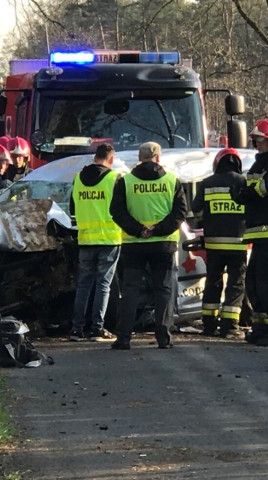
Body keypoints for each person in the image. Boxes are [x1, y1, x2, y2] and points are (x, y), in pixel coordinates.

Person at [109, 141, 188, 349]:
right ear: (158, 158)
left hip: (134, 244)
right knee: (163, 290)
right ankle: (164, 337)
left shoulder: (125, 182)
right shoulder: (172, 181)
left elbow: (117, 212)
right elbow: (180, 213)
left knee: (130, 291)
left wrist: (139, 229)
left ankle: (124, 338)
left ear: (139, 157)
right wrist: (158, 229)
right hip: (163, 244)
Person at [231, 119, 268, 347]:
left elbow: (267, 187)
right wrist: (242, 192)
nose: (257, 145)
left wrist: (244, 192)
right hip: (258, 231)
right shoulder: (260, 163)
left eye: (261, 141)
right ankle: (263, 327)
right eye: (255, 141)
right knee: (254, 282)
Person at [67, 144, 121, 342]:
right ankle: (97, 329)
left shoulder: (78, 179)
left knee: (83, 285)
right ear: (111, 159)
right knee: (103, 285)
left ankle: (76, 329)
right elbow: (121, 208)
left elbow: (72, 208)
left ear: (95, 157)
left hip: (85, 238)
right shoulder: (114, 178)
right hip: (109, 239)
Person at [192, 148, 247, 338]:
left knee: (213, 282)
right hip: (238, 243)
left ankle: (208, 325)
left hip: (214, 244)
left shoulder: (207, 183)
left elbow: (196, 210)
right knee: (235, 284)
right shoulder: (244, 183)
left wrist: (208, 220)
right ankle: (230, 327)